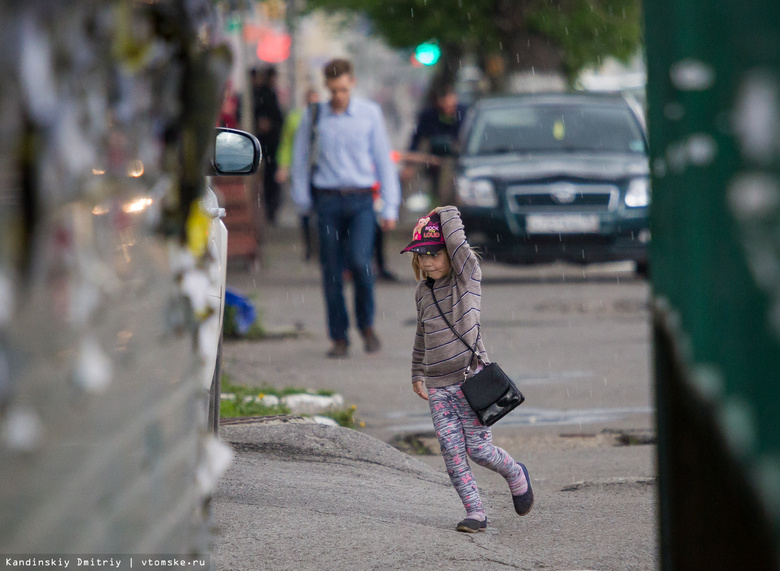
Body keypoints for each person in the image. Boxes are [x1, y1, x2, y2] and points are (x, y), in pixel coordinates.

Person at [402, 206, 533, 533]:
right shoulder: (423, 292)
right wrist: (417, 371)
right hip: (438, 388)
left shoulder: (466, 279)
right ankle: (475, 512)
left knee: (479, 450)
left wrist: (443, 211)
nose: (428, 261)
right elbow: (422, 333)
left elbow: (459, 240)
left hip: (471, 385)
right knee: (451, 451)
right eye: (421, 255)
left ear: (450, 253)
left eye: (435, 253)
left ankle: (516, 473)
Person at [291, 58, 401, 358]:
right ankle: (339, 337)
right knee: (331, 271)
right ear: (327, 87)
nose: (339, 95)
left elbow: (383, 160)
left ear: (351, 83)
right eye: (333, 90)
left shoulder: (369, 114)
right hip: (327, 200)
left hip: (362, 199)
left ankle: (366, 325)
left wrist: (390, 206)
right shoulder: (314, 116)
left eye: (343, 89)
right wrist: (302, 200)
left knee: (361, 262)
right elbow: (300, 160)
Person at [401, 84, 468, 203]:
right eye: (444, 101)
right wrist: (409, 165)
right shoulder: (429, 116)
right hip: (433, 160)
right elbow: (416, 139)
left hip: (459, 159)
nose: (448, 105)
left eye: (450, 100)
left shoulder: (465, 113)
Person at [277, 88, 320, 261]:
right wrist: (284, 165)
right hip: (301, 167)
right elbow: (287, 142)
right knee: (304, 209)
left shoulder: (323, 118)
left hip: (317, 170)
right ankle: (309, 245)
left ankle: (318, 244)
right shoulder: (296, 117)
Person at [252, 66, 285, 224]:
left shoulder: (266, 93)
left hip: (269, 144)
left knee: (269, 178)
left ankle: (270, 210)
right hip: (267, 144)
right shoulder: (264, 94)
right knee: (268, 178)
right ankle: (269, 210)